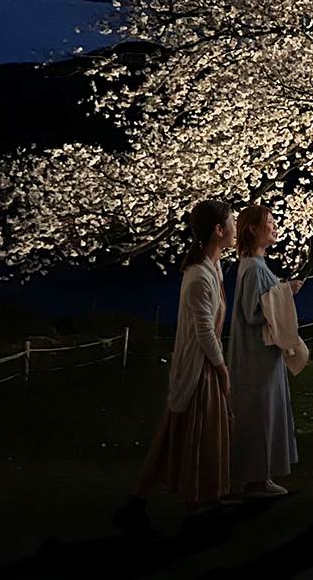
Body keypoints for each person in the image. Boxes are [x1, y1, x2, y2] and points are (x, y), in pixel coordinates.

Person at [116, 199, 235, 529]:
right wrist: (222, 369)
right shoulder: (199, 277)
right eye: (232, 223)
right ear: (218, 230)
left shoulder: (212, 269)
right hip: (198, 368)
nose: (236, 229)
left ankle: (164, 502)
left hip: (203, 365)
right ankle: (189, 504)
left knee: (185, 434)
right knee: (193, 434)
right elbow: (204, 331)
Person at [227, 205, 302, 497]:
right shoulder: (255, 268)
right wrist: (286, 292)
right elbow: (253, 312)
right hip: (257, 357)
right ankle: (256, 479)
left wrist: (281, 291)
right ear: (252, 228)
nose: (275, 226)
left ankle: (259, 476)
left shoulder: (253, 265)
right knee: (259, 414)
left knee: (262, 412)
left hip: (261, 355)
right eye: (269, 221)